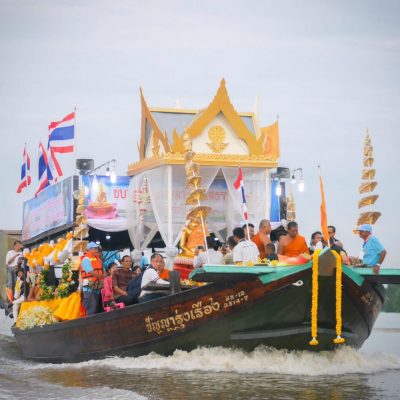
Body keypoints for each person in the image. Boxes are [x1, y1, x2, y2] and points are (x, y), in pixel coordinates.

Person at [80, 242, 104, 315]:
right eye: (95, 248)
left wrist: (103, 276)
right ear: (89, 249)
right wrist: (103, 276)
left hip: (97, 287)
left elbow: (102, 270)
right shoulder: (86, 259)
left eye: (97, 248)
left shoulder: (98, 259)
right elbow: (90, 272)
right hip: (89, 288)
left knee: (97, 309)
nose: (97, 250)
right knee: (91, 310)